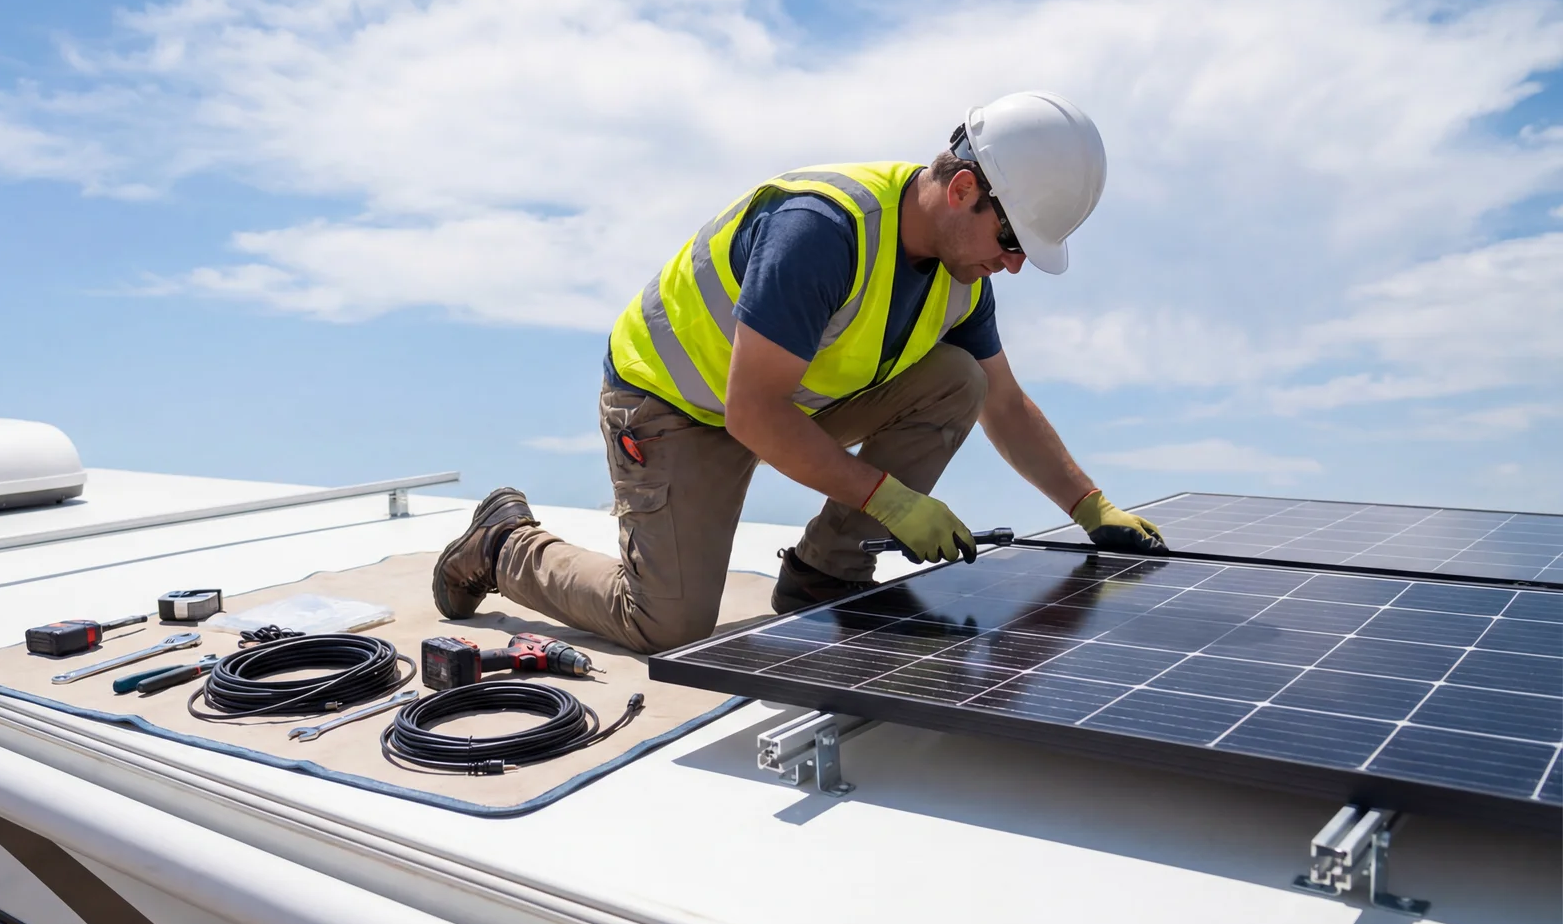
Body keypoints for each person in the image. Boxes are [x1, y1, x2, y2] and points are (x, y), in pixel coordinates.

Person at [433, 91, 1166, 654]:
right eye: (1012, 239)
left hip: (782, 399)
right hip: (672, 406)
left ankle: (824, 571)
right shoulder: (822, 232)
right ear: (965, 189)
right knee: (666, 623)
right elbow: (752, 415)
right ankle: (503, 544)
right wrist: (891, 500)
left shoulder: (962, 279)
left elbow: (1001, 403)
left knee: (959, 379)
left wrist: (1091, 505)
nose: (1013, 263)